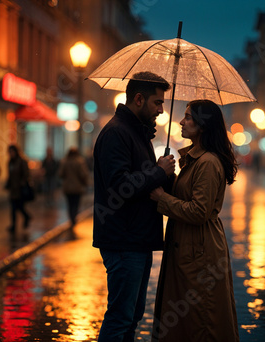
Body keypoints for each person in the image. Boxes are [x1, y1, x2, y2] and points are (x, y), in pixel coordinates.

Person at [93, 71, 174, 342]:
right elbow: (119, 187)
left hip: (136, 239)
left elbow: (144, 184)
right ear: (139, 99)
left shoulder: (137, 134)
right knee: (120, 318)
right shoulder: (117, 133)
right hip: (123, 241)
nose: (162, 111)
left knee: (132, 316)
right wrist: (158, 172)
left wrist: (164, 174)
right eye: (157, 103)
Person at [150, 100, 239, 341]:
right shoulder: (195, 160)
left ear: (202, 125)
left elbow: (199, 211)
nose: (181, 121)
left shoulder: (208, 163)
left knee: (202, 320)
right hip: (190, 248)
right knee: (187, 320)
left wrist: (162, 198)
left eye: (188, 117)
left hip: (200, 251)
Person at [59, 147, 89, 226]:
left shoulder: (65, 162)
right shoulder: (79, 162)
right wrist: (85, 183)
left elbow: (60, 174)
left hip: (67, 187)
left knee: (70, 204)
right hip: (77, 187)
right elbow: (83, 174)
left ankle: (71, 218)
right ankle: (74, 218)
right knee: (76, 204)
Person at [5, 144, 31, 232]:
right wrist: (7, 184)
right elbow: (10, 175)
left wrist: (22, 183)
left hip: (20, 189)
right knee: (13, 208)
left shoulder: (21, 162)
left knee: (20, 207)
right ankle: (13, 226)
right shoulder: (10, 162)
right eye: (10, 152)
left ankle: (27, 217)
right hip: (13, 189)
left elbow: (26, 174)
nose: (11, 154)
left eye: (12, 152)